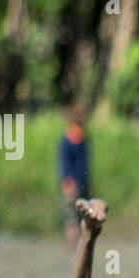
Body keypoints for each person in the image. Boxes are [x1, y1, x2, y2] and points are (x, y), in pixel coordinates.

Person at [56, 107, 91, 249]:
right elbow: (68, 167)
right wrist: (72, 187)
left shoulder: (74, 138)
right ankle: (75, 254)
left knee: (74, 222)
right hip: (72, 188)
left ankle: (75, 254)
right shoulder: (75, 139)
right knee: (74, 222)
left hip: (74, 187)